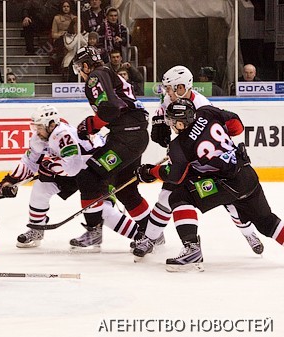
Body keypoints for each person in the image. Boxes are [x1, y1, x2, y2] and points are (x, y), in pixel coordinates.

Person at [135, 99, 284, 272]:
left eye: (172, 121)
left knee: (178, 197)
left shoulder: (179, 146)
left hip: (226, 184)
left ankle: (192, 249)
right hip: (247, 174)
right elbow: (237, 126)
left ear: (181, 123)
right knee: (267, 222)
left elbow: (174, 177)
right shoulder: (206, 112)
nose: (171, 125)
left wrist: (150, 172)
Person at [133, 65, 263, 259]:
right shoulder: (169, 99)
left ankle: (249, 233)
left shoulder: (202, 105)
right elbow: (166, 118)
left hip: (213, 161)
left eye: (169, 88)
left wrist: (183, 152)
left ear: (181, 87)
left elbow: (221, 132)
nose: (166, 92)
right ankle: (150, 238)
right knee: (167, 195)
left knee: (232, 202)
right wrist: (160, 124)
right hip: (190, 161)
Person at [0, 104, 139, 249]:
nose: (36, 131)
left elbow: (72, 168)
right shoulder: (40, 137)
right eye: (35, 127)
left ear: (51, 125)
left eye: (39, 127)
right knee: (41, 187)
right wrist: (10, 181)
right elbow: (29, 162)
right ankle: (36, 228)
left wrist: (49, 166)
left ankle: (141, 236)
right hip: (77, 170)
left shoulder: (63, 135)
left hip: (97, 170)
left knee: (101, 210)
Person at [69, 46, 151, 249]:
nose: (80, 73)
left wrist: (91, 125)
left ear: (86, 65)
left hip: (126, 137)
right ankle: (152, 234)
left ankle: (94, 231)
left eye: (79, 68)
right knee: (125, 188)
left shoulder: (95, 76)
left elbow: (111, 108)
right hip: (135, 136)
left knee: (88, 177)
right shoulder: (107, 72)